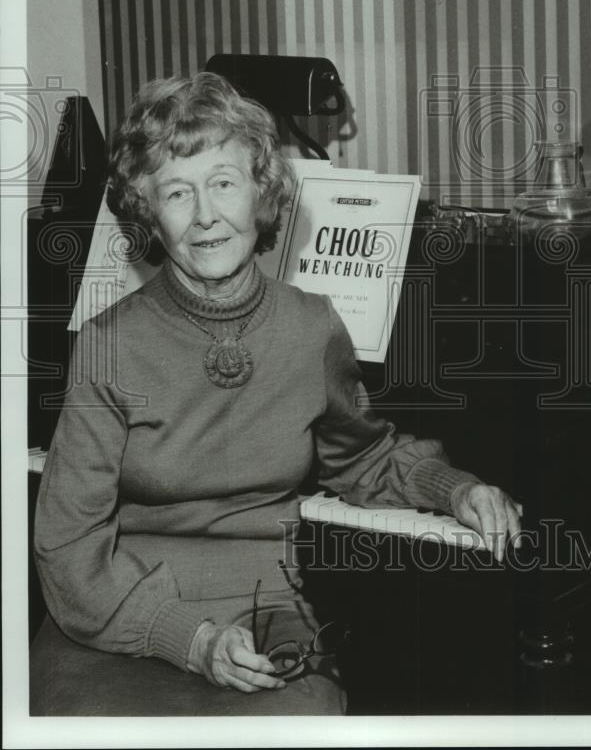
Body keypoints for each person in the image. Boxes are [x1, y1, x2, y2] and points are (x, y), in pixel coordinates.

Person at [31, 72, 521, 716]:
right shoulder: (107, 344)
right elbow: (66, 547)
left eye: (224, 184)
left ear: (262, 193)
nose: (206, 215)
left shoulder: (311, 325)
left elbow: (363, 459)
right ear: (147, 210)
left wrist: (455, 490)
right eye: (178, 192)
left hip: (268, 608)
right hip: (119, 616)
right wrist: (191, 640)